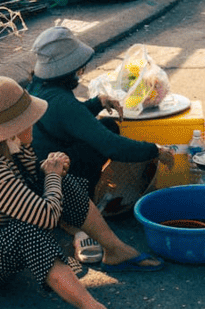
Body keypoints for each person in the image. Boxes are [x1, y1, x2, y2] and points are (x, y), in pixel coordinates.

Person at [0, 76, 164, 309]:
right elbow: (47, 218)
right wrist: (51, 174)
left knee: (62, 183)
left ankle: (115, 250)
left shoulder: (10, 146)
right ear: (12, 128)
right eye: (30, 118)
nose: (35, 122)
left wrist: (50, 169)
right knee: (27, 230)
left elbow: (31, 178)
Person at [28, 26, 175, 264]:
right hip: (50, 179)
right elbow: (112, 147)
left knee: (106, 124)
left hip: (36, 170)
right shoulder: (62, 101)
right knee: (104, 136)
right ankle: (78, 216)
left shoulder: (38, 87)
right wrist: (155, 150)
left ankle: (77, 210)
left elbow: (64, 121)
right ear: (69, 69)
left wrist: (98, 102)